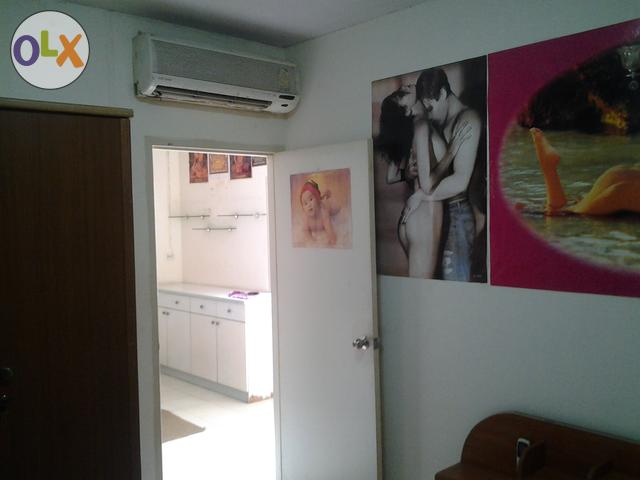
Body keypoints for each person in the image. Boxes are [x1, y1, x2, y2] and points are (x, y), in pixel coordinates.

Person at [378, 84, 471, 278]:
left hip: (416, 217)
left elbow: (391, 176)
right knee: (421, 290)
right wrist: (452, 152)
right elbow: (428, 185)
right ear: (407, 110)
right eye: (402, 94)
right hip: (424, 217)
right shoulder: (421, 126)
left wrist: (408, 174)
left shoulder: (415, 128)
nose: (406, 86)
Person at [402, 67, 483, 281]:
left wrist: (421, 195)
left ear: (444, 93)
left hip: (457, 215)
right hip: (438, 214)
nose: (428, 114)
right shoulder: (440, 120)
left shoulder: (468, 120)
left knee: (453, 286)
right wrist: (411, 172)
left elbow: (460, 181)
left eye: (430, 107)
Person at [299, 178, 338, 246]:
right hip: (320, 200)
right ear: (303, 208)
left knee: (335, 209)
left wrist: (332, 241)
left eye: (311, 199)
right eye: (305, 203)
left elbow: (331, 233)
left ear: (317, 200)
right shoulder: (306, 218)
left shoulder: (323, 214)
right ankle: (324, 195)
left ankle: (326, 194)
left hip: (326, 205)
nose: (309, 205)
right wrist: (311, 241)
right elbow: (305, 231)